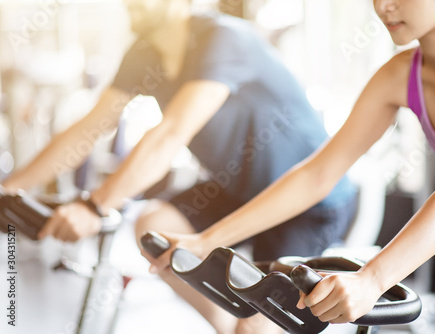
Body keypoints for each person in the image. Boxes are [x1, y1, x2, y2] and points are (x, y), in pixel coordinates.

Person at [1, 0, 358, 332]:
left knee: (261, 324)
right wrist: (9, 188)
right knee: (157, 230)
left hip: (305, 203)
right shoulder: (144, 52)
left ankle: (248, 328)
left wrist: (95, 205)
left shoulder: (224, 38)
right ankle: (233, 327)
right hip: (237, 189)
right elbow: (92, 126)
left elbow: (170, 134)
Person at [147, 0, 435, 333]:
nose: (383, 6)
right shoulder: (399, 75)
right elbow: (318, 174)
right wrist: (204, 241)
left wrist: (373, 280)